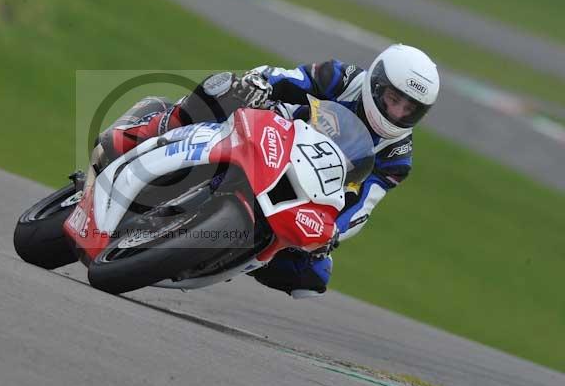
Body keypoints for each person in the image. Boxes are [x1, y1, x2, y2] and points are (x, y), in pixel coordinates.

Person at [99, 44, 440, 298]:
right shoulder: (344, 77)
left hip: (306, 186)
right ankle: (147, 130)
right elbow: (290, 78)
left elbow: (362, 205)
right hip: (273, 131)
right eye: (393, 99)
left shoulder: (398, 156)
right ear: (377, 84)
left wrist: (333, 232)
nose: (397, 112)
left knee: (313, 274)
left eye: (409, 109)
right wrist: (259, 83)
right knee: (221, 89)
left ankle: (215, 256)